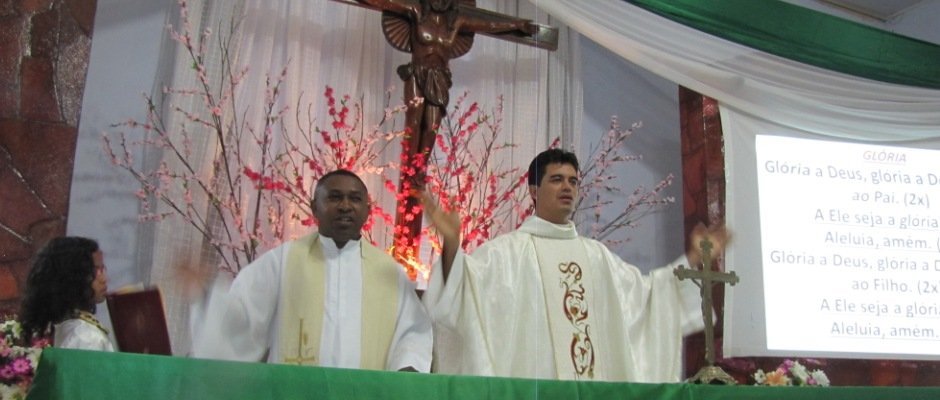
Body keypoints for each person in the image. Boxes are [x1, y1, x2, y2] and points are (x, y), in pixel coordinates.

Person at [421, 149, 708, 382]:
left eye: (573, 181)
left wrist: (694, 260)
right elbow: (462, 295)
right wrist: (451, 245)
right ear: (533, 190)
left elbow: (646, 298)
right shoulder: (506, 254)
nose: (567, 187)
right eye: (557, 179)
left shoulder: (598, 257)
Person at [352, 0, 540, 257]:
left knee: (431, 129)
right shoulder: (416, 12)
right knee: (415, 123)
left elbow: (489, 23)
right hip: (417, 74)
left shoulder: (458, 21)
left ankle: (419, 173)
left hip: (440, 79)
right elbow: (386, 2)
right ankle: (410, 171)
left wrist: (516, 24)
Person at [194, 169, 432, 372]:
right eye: (335, 197)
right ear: (314, 208)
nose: (345, 206)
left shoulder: (388, 272)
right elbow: (241, 318)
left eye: (355, 199)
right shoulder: (283, 262)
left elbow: (413, 331)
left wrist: (408, 366)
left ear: (367, 210)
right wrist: (209, 295)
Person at [19, 236, 114, 351]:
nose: (104, 279)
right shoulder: (86, 337)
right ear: (73, 277)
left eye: (102, 270)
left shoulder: (65, 328)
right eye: (95, 271)